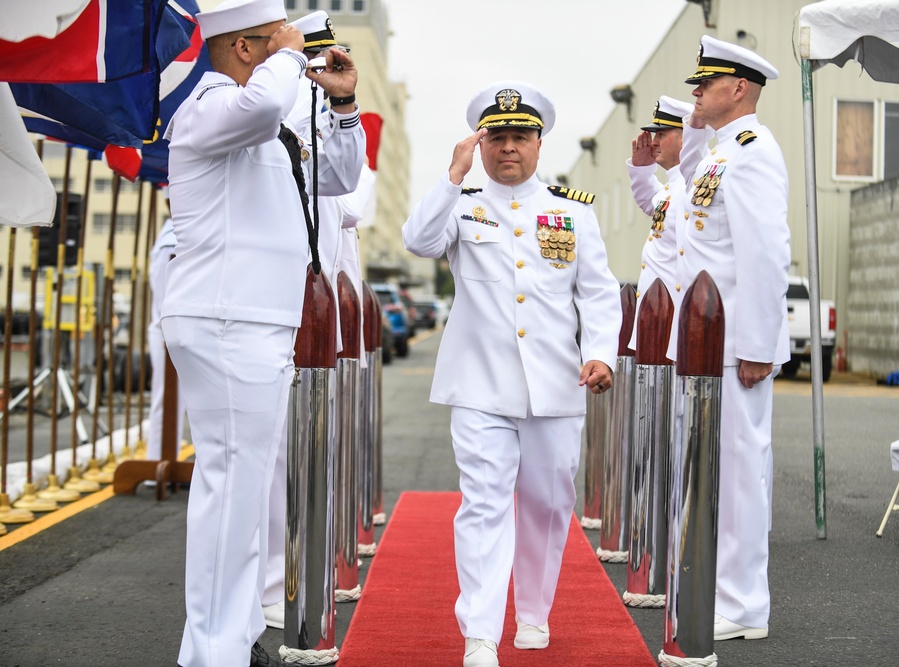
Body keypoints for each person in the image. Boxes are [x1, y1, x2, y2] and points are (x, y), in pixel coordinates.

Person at [161, 0, 365, 664]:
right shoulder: (212, 108)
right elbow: (255, 113)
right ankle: (212, 652)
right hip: (227, 319)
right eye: (278, 46)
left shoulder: (265, 121)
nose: (298, 61)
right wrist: (287, 57)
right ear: (244, 49)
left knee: (245, 489)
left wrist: (341, 106)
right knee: (231, 489)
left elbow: (336, 177)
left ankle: (235, 632)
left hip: (256, 321)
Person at [401, 81, 621, 667]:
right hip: (480, 385)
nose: (507, 148)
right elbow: (418, 243)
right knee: (483, 504)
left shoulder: (571, 211)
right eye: (496, 137)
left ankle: (533, 612)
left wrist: (601, 352)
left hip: (555, 384)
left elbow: (597, 293)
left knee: (548, 506)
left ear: (539, 142)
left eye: (520, 136)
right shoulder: (463, 202)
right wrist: (451, 176)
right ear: (482, 141)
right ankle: (479, 632)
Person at [259, 10, 378, 631]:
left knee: (308, 447)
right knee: (271, 454)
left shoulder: (313, 125)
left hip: (313, 311)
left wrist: (345, 104)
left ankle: (297, 574)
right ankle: (270, 589)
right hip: (268, 306)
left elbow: (345, 181)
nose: (318, 70)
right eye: (310, 59)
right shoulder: (262, 113)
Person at [673, 35, 791, 641]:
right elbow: (694, 221)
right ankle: (719, 588)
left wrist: (756, 346)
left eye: (705, 83)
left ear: (738, 88)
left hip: (733, 346)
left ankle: (744, 607)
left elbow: (766, 255)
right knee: (713, 472)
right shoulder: (721, 152)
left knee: (742, 474)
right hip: (705, 343)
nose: (695, 92)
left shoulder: (753, 151)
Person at [625, 95, 693, 352]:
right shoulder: (674, 185)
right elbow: (656, 209)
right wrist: (642, 170)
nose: (653, 142)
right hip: (658, 320)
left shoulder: (691, 183)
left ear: (685, 137)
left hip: (672, 318)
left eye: (661, 134)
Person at [145, 189, 185, 464]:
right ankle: (160, 459)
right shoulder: (172, 238)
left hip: (169, 328)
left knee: (175, 400)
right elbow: (163, 291)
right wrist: (167, 327)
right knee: (166, 399)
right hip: (166, 329)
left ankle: (166, 457)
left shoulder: (173, 232)